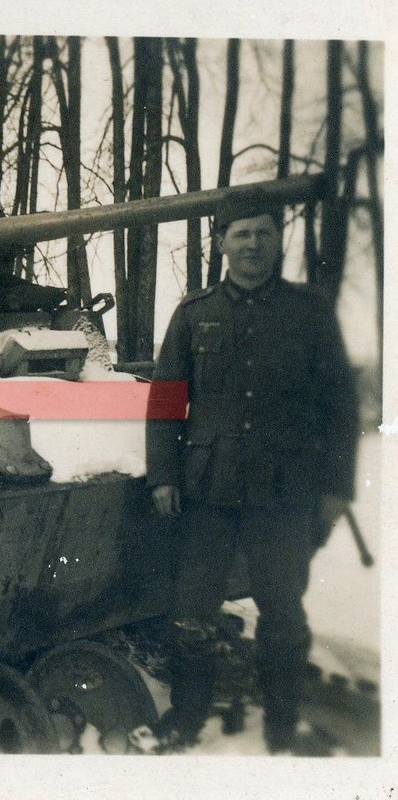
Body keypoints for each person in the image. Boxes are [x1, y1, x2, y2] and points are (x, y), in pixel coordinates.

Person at [145, 188, 358, 754]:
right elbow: (166, 402)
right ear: (222, 243)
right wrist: (163, 475)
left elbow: (340, 407)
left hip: (285, 492)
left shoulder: (309, 313)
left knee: (283, 614)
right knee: (192, 614)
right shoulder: (194, 314)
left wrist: (337, 487)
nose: (253, 244)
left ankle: (283, 728)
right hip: (208, 490)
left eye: (264, 232)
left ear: (278, 239)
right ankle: (187, 718)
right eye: (241, 234)